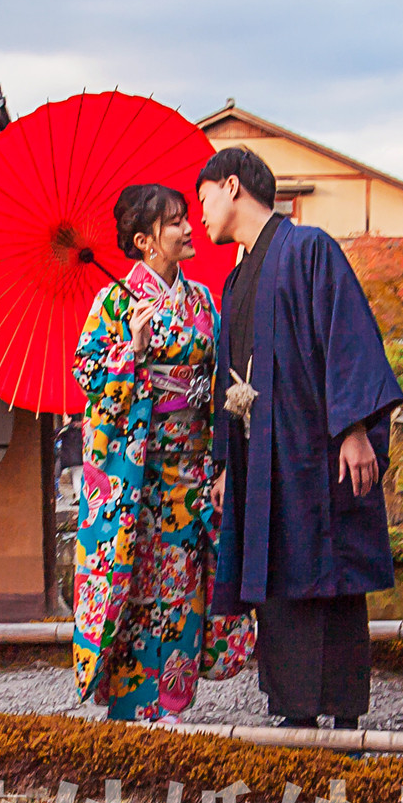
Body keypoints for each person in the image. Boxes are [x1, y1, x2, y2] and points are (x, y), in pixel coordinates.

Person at [198, 146, 401, 728]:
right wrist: (226, 465)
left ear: (233, 185)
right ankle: (291, 706)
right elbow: (230, 379)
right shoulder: (236, 281)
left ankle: (338, 708)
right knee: (277, 575)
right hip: (260, 454)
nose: (201, 211)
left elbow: (348, 337)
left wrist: (356, 427)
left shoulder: (309, 250)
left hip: (313, 448)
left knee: (324, 570)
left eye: (205, 195)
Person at [70, 182, 254, 721]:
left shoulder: (200, 300)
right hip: (141, 480)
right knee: (137, 592)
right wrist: (134, 350)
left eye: (184, 217)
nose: (187, 228)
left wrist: (223, 452)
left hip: (193, 474)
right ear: (144, 241)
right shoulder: (113, 302)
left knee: (183, 593)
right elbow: (87, 374)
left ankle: (172, 708)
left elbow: (222, 376)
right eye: (174, 222)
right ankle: (134, 716)